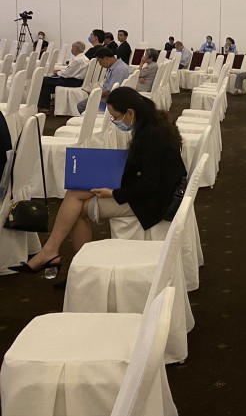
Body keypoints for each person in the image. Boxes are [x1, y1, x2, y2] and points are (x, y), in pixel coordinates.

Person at [11, 87, 186, 275]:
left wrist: (114, 193)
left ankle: (75, 264)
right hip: (152, 189)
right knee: (75, 192)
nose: (115, 122)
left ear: (130, 112)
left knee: (77, 210)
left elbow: (150, 183)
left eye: (115, 117)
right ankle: (53, 253)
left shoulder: (151, 135)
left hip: (154, 202)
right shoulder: (154, 123)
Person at [37, 41, 89, 112]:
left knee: (44, 80)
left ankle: (43, 106)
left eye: (72, 48)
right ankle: (44, 107)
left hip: (72, 81)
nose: (71, 49)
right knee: (47, 85)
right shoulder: (84, 58)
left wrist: (57, 73)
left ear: (75, 49)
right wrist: (61, 71)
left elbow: (67, 74)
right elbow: (70, 70)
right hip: (76, 80)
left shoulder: (78, 60)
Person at [77, 48, 131, 114]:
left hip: (111, 101)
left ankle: (91, 120)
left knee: (81, 106)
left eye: (99, 61)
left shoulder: (119, 70)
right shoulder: (119, 66)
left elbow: (110, 92)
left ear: (106, 59)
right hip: (113, 97)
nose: (100, 64)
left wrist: (94, 94)